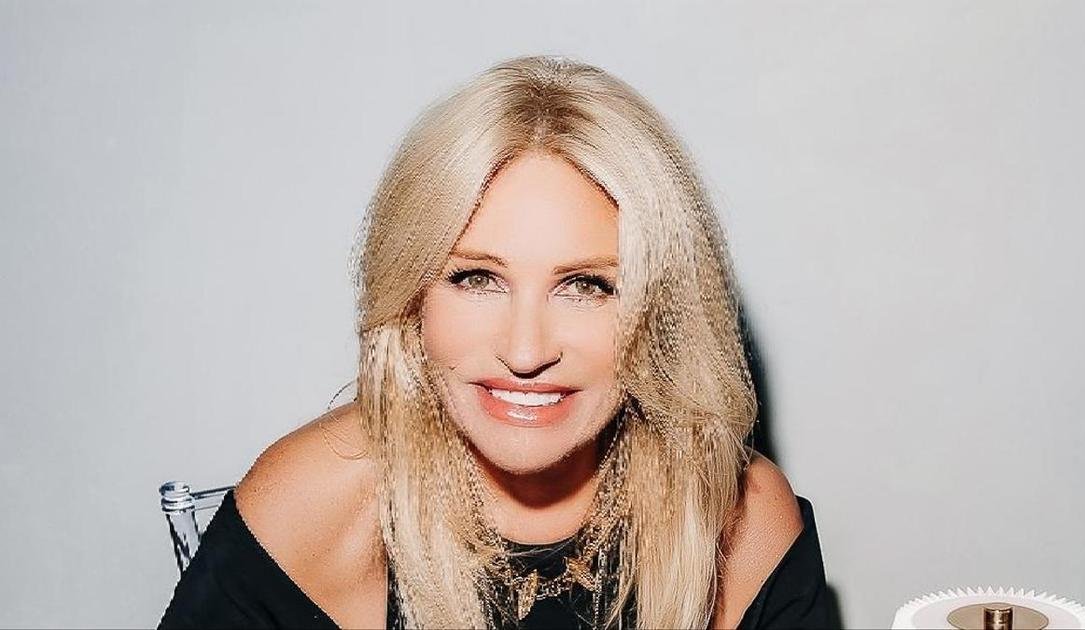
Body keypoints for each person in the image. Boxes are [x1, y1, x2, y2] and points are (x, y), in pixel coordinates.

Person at [159, 54, 830, 629]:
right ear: (412, 297)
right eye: (477, 278)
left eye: (587, 285)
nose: (526, 350)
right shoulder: (312, 508)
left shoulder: (739, 523)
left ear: (663, 311)